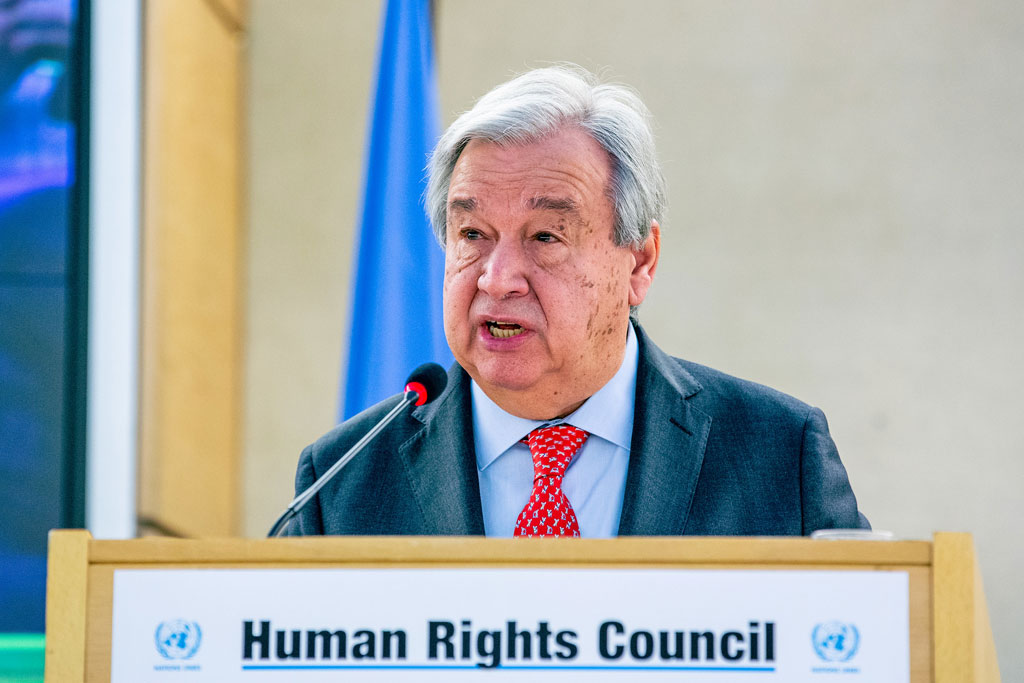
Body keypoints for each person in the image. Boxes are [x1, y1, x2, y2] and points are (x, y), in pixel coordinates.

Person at [287, 66, 868, 537]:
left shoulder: (778, 455)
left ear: (639, 262)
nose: (498, 279)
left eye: (545, 237)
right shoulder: (343, 484)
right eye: (472, 235)